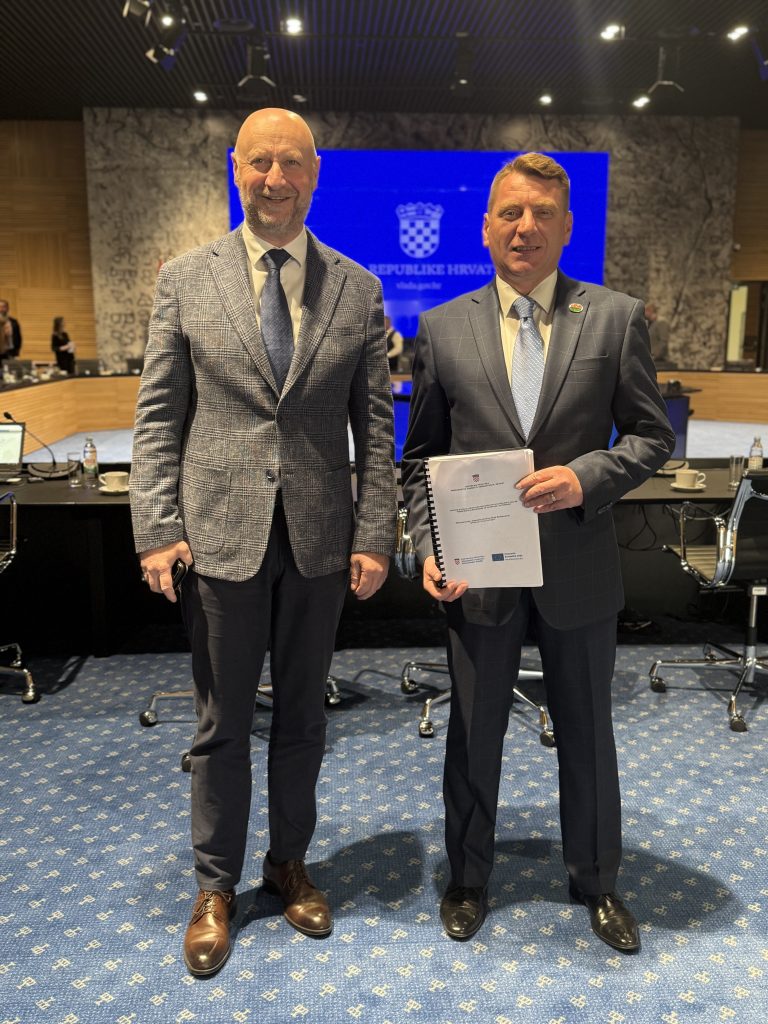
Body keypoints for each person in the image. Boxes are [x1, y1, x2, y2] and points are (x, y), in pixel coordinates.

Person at [130, 107, 396, 977]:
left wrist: (375, 532)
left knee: (305, 718)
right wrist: (158, 528)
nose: (275, 179)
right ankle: (215, 885)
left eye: (292, 164)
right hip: (218, 538)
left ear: (314, 174)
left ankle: (288, 863)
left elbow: (375, 427)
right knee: (222, 725)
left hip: (320, 540)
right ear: (234, 169)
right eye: (260, 163)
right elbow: (158, 417)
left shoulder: (358, 288)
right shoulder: (185, 279)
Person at [401, 153, 675, 953]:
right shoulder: (442, 328)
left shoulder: (615, 319)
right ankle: (467, 879)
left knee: (587, 736)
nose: (526, 227)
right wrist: (428, 543)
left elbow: (652, 436)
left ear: (567, 227)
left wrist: (587, 477)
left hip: (578, 568)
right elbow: (420, 459)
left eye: (543, 214)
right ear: (486, 228)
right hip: (476, 574)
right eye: (511, 213)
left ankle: (597, 882)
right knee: (472, 735)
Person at [644, 302, 673, 367]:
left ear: (649, 311)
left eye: (645, 311)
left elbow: (663, 342)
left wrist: (655, 356)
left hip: (660, 361)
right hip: (653, 359)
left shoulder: (661, 322)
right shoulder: (651, 323)